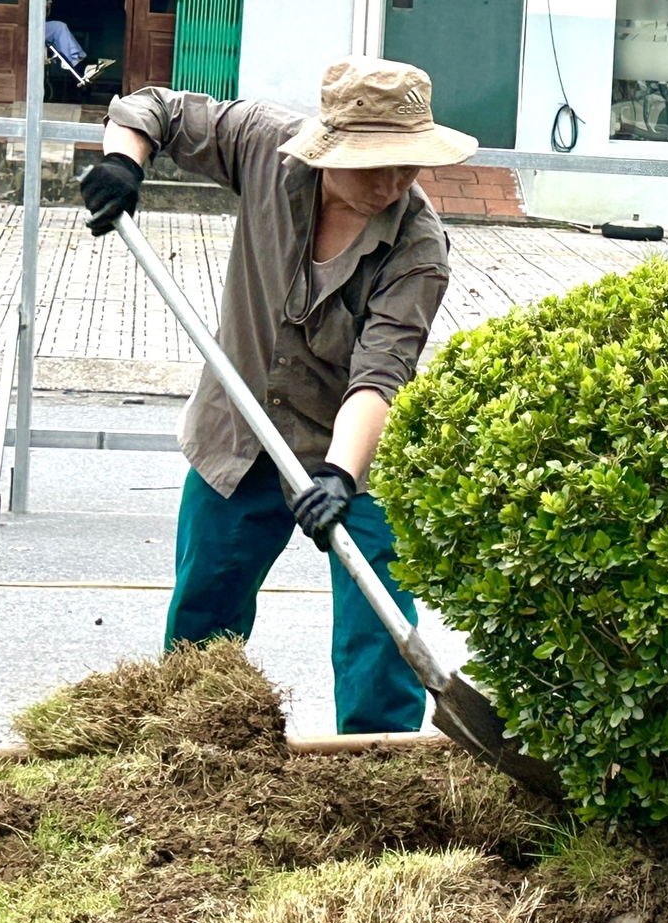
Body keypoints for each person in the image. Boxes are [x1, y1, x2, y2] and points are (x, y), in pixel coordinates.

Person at [79, 56, 476, 734]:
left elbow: (380, 375)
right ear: (331, 148)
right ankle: (187, 755)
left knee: (377, 640)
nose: (393, 182)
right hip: (241, 433)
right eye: (375, 162)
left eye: (408, 163)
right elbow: (153, 108)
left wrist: (341, 476)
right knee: (204, 617)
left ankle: (375, 778)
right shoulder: (268, 149)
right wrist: (124, 164)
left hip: (355, 455)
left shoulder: (417, 247)